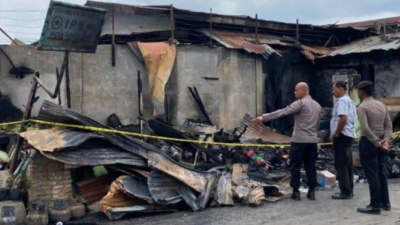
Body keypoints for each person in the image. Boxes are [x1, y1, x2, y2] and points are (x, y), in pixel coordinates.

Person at [254, 82, 322, 201]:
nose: (294, 92)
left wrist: (264, 118)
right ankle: (311, 192)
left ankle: (295, 192)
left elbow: (283, 111)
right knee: (310, 166)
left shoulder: (300, 103)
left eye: (296, 90)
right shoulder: (317, 105)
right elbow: (317, 125)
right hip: (312, 141)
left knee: (295, 166)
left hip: (299, 141)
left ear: (304, 91)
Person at [356, 81, 392, 215]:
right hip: (382, 142)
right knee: (381, 173)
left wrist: (376, 142)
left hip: (368, 143)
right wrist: (386, 141)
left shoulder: (362, 107)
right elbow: (388, 126)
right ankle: (385, 203)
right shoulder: (382, 105)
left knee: (372, 175)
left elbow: (365, 128)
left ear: (361, 92)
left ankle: (375, 206)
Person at [330, 81, 356, 200]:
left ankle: (345, 191)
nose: (333, 91)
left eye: (334, 89)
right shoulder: (349, 100)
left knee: (340, 163)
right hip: (348, 135)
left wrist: (337, 133)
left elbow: (343, 119)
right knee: (347, 163)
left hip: (342, 136)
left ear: (341, 89)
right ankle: (349, 189)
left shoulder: (342, 101)